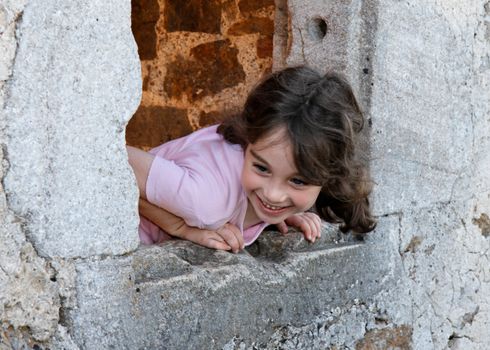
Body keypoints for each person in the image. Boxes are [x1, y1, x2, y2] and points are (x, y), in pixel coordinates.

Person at [127, 66, 376, 253]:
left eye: (298, 181)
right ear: (248, 139)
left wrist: (275, 215)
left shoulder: (259, 167)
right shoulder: (205, 202)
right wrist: (180, 228)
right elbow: (116, 163)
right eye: (261, 168)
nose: (274, 195)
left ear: (331, 175)